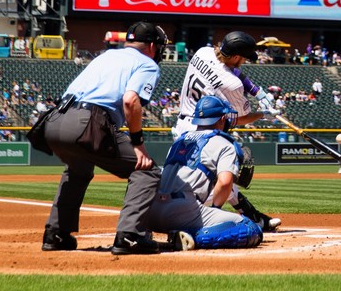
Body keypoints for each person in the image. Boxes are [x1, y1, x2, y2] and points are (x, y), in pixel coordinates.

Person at [41, 20, 168, 255]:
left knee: (78, 169)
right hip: (87, 122)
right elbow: (131, 101)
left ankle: (56, 233)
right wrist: (138, 145)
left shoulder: (105, 56)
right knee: (147, 170)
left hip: (54, 121)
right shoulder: (147, 64)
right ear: (152, 46)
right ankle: (130, 236)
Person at [171, 31, 280, 232]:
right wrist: (263, 114)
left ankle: (254, 216)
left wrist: (257, 91)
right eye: (244, 57)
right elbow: (237, 119)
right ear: (237, 56)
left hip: (182, 126)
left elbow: (230, 68)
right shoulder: (233, 84)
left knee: (197, 179)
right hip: (204, 133)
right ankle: (205, 218)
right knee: (215, 180)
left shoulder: (203, 52)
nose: (245, 62)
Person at [148, 95, 264, 251]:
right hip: (182, 212)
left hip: (151, 211)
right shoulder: (224, 143)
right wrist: (216, 208)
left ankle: (142, 232)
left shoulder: (179, 141)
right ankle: (192, 236)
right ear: (222, 118)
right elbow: (224, 182)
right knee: (249, 228)